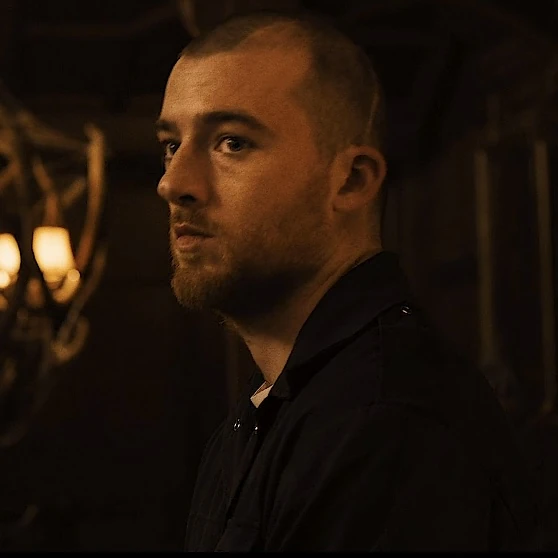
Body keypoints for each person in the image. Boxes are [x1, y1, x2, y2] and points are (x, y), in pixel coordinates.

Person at [154, 9, 538, 552]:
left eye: (232, 142)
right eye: (172, 145)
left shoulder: (386, 422)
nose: (173, 183)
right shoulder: (274, 410)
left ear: (352, 181)